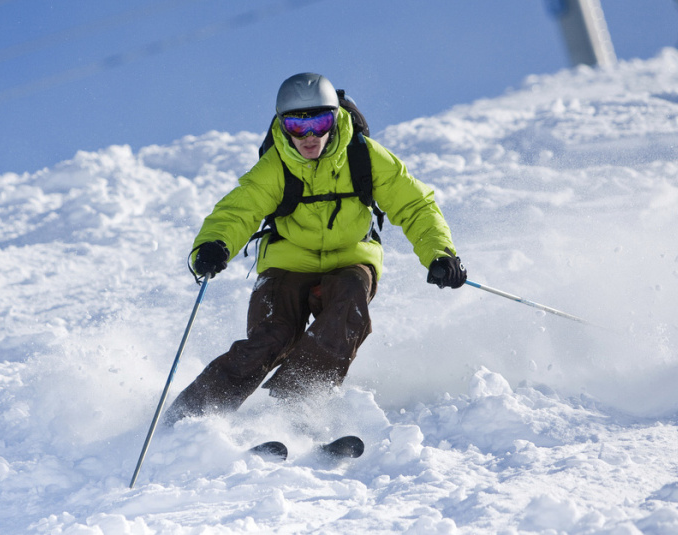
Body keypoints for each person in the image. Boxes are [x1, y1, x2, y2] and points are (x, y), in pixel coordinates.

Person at [163, 73, 466, 425]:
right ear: (282, 125)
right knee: (273, 334)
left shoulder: (364, 157)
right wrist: (215, 245)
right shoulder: (275, 166)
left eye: (320, 123)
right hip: (287, 260)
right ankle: (193, 414)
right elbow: (238, 210)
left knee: (348, 302)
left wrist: (439, 253)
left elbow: (414, 204)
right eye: (296, 126)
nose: (309, 137)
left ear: (335, 119)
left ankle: (298, 399)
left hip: (350, 258)